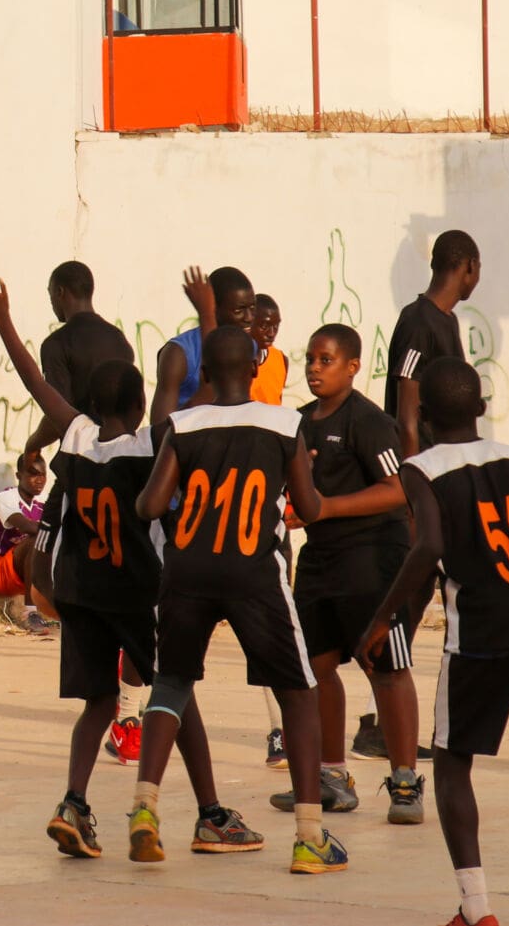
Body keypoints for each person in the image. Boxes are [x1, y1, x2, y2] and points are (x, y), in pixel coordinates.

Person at [0, 271, 262, 861]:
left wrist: (1, 316)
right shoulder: (153, 444)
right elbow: (212, 392)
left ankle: (74, 803)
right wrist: (208, 314)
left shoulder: (76, 439)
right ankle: (210, 813)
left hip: (83, 595)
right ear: (138, 404)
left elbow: (34, 382)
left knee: (100, 704)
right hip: (140, 593)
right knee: (175, 693)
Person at [358, 357, 509, 926]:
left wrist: (380, 620)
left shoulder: (422, 468)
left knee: (451, 762)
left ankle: (478, 910)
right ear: (483, 408)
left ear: (424, 415)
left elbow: (427, 548)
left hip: (486, 628)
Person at [131, 327, 346, 874]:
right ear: (256, 370)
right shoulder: (283, 423)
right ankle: (309, 836)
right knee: (297, 691)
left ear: (203, 376)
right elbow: (309, 507)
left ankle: (145, 808)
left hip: (187, 569)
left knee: (172, 682)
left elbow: (150, 505)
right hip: (253, 570)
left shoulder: (182, 424)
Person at [272, 325, 424, 823]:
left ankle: (405, 782)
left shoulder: (368, 421)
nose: (315, 368)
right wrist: (297, 510)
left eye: (327, 359)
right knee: (314, 668)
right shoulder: (296, 424)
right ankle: (331, 776)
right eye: (311, 359)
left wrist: (326, 506)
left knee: (384, 665)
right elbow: (298, 494)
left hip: (373, 557)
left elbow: (400, 488)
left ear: (353, 366)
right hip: (320, 561)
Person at [23, 260, 135, 456]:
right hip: (123, 457)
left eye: (50, 296)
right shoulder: (118, 338)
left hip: (83, 459)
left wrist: (32, 445)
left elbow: (56, 413)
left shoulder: (57, 344)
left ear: (60, 292)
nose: (51, 303)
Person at [385, 230, 479, 460]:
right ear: (470, 266)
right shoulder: (418, 321)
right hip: (427, 466)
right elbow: (407, 419)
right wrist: (411, 480)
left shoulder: (448, 319)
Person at [248, 293, 292, 763]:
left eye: (275, 323)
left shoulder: (279, 361)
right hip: (242, 493)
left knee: (275, 614)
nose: (269, 329)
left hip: (273, 493)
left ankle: (280, 729)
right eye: (263, 322)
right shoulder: (238, 361)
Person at [149, 265, 256, 426]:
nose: (249, 318)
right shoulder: (178, 353)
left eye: (252, 308)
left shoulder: (249, 346)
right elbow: (158, 428)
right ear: (214, 308)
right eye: (239, 310)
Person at [0, 451, 52, 634]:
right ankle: (30, 613)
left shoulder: (43, 502)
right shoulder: (5, 499)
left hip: (29, 577)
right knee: (36, 540)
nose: (39, 480)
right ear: (19, 476)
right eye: (33, 474)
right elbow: (28, 527)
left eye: (43, 475)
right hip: (0, 573)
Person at [249, 295, 288, 407]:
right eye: (264, 326)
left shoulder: (281, 359)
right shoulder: (236, 359)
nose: (271, 333)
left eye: (276, 326)